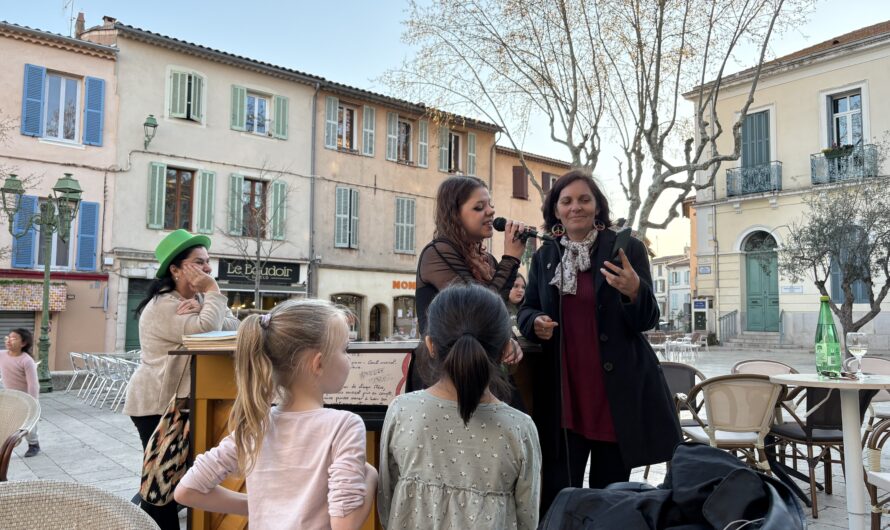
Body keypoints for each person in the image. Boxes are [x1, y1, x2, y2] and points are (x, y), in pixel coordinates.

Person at [517, 170, 681, 515]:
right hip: (564, 395)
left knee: (610, 498)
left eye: (584, 199)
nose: (575, 207)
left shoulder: (626, 248)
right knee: (560, 494)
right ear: (556, 211)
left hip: (613, 396)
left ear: (597, 207)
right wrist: (535, 322)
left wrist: (634, 290)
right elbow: (527, 307)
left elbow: (647, 319)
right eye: (567, 201)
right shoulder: (546, 255)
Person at [175, 299, 377, 529]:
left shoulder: (255, 426)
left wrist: (259, 506)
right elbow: (346, 524)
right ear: (318, 363)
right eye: (345, 349)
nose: (347, 358)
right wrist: (370, 476)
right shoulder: (345, 426)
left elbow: (186, 491)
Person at [378, 283, 541, 529]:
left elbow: (387, 499)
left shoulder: (402, 411)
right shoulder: (519, 427)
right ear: (506, 349)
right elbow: (527, 517)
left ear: (431, 345)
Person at [126, 229, 240, 530]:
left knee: (175, 481)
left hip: (183, 404)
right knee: (161, 487)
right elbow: (207, 332)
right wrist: (213, 293)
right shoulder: (164, 304)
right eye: (199, 262)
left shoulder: (197, 299)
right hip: (158, 405)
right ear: (175, 269)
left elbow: (234, 327)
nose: (207, 269)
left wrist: (206, 305)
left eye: (207, 262)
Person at [411, 176, 526, 391]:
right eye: (479, 207)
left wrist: (510, 341)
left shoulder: (487, 261)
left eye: (490, 204)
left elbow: (497, 311)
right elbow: (479, 309)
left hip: (484, 371)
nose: (491, 211)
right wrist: (511, 259)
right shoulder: (437, 252)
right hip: (446, 376)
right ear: (455, 215)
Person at [0, 328, 39, 457]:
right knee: (8, 422)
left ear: (23, 343)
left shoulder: (26, 360)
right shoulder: (2, 355)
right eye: (9, 337)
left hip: (25, 398)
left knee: (28, 424)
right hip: (11, 398)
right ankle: (7, 444)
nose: (9, 340)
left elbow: (33, 384)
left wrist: (32, 403)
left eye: (14, 338)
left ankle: (33, 444)